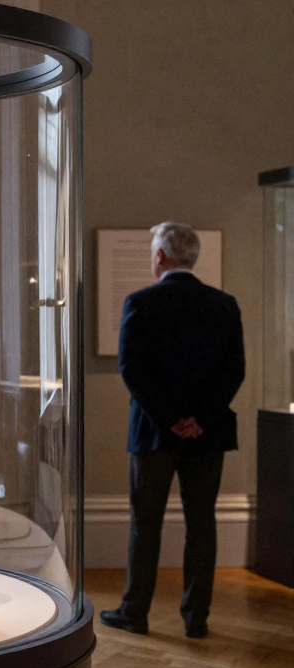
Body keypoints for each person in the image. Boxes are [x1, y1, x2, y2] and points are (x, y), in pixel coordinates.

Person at [100, 222, 244, 640]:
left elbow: (132, 370)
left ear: (160, 256)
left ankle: (135, 611)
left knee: (146, 523)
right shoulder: (224, 305)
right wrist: (199, 418)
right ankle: (196, 616)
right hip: (209, 433)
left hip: (152, 435)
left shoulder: (141, 302)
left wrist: (169, 420)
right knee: (202, 522)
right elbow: (233, 371)